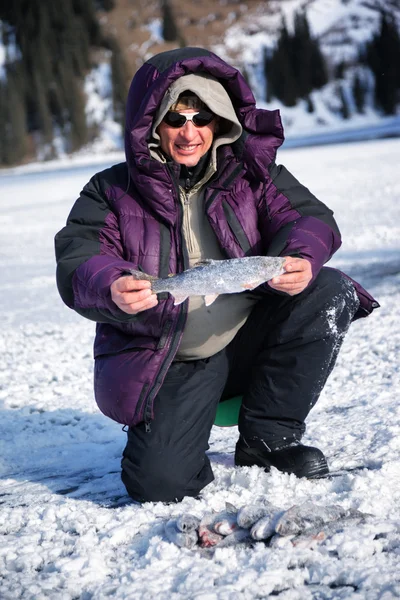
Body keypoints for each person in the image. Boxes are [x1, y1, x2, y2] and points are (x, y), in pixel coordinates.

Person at [55, 47, 378, 503]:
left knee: (329, 289)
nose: (190, 132)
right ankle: (170, 441)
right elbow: (79, 253)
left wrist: (300, 257)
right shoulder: (110, 191)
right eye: (175, 119)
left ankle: (268, 440)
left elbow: (309, 218)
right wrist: (110, 284)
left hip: (249, 338)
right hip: (172, 359)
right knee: (161, 485)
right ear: (152, 124)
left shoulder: (253, 174)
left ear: (221, 121)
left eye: (202, 117)